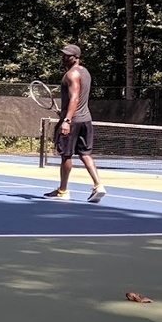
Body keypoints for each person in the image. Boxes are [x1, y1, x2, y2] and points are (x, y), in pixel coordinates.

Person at [43, 44, 106, 203]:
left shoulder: (71, 75)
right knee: (85, 154)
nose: (64, 58)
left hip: (73, 122)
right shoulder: (86, 72)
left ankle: (63, 191)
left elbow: (75, 98)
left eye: (68, 55)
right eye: (63, 54)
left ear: (76, 57)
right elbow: (78, 100)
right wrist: (64, 112)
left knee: (66, 155)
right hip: (86, 120)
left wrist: (66, 120)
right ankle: (98, 185)